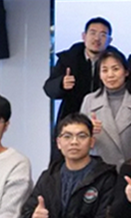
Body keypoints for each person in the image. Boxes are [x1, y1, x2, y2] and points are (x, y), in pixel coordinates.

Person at [43, 17, 124, 161]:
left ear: (109, 40)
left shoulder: (115, 59)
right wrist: (61, 84)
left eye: (103, 34)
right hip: (71, 119)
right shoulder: (69, 58)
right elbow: (49, 89)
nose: (97, 38)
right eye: (93, 33)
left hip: (104, 122)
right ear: (84, 36)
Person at [80, 50, 131, 168]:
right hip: (99, 171)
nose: (110, 75)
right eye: (104, 70)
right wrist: (87, 131)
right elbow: (80, 141)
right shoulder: (89, 100)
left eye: (115, 69)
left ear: (126, 72)